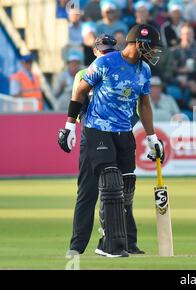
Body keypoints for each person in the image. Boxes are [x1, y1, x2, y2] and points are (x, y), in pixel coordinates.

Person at [58, 25, 165, 258]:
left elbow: (144, 104)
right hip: (97, 128)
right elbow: (79, 91)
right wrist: (69, 125)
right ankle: (87, 246)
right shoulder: (105, 63)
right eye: (152, 46)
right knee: (104, 184)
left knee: (125, 188)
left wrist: (152, 137)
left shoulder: (144, 70)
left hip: (124, 132)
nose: (154, 51)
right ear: (138, 43)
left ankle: (116, 242)